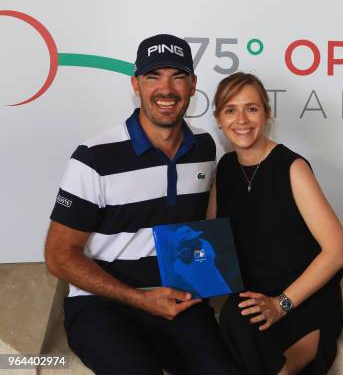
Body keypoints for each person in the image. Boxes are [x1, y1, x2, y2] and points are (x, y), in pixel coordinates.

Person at [44, 34, 238, 375]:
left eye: (177, 76)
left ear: (192, 85)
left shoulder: (205, 149)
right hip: (101, 308)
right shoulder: (94, 157)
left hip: (180, 304)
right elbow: (59, 255)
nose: (166, 89)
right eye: (153, 76)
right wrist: (141, 299)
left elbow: (203, 230)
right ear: (136, 84)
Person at [207, 72, 343, 375]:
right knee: (234, 315)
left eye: (252, 108)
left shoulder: (292, 167)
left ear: (267, 114)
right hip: (254, 304)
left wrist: (280, 304)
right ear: (218, 118)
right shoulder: (225, 169)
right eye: (230, 109)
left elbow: (337, 251)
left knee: (241, 322)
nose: (241, 119)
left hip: (304, 302)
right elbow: (211, 243)